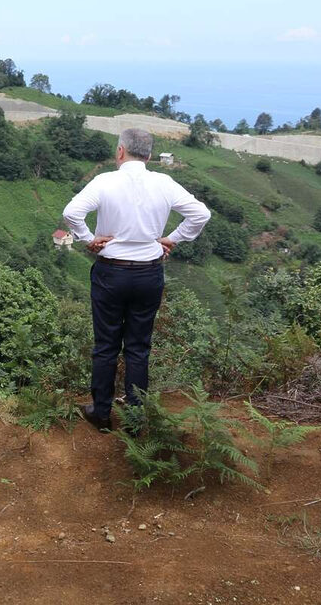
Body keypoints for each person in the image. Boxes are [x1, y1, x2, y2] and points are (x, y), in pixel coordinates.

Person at [62, 128, 211, 431]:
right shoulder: (164, 183)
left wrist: (88, 238)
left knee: (106, 346)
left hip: (111, 271)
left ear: (120, 152)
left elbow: (72, 211)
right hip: (149, 273)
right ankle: (134, 418)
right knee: (138, 347)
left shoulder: (105, 181)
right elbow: (200, 214)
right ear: (149, 156)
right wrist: (172, 239)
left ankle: (101, 414)